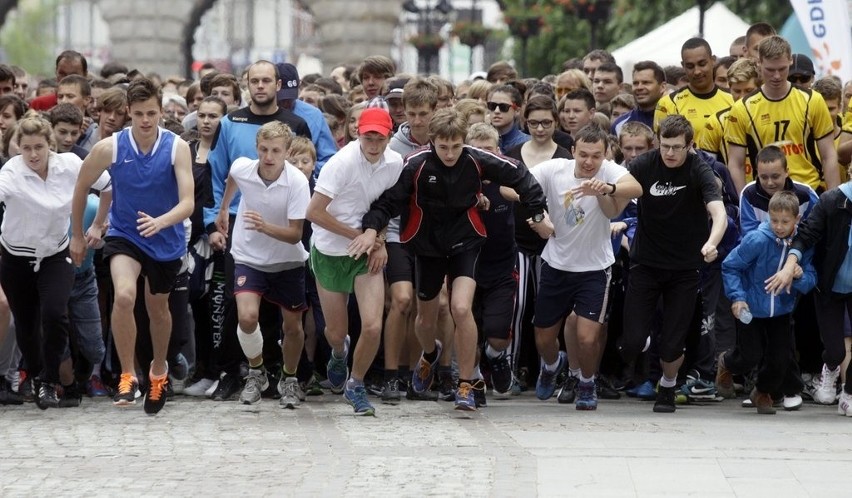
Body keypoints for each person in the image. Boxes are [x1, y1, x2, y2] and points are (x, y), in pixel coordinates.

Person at [355, 107, 548, 411]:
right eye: (443, 147)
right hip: (427, 245)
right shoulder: (414, 164)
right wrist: (370, 228)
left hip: (466, 240)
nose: (449, 154)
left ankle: (466, 383)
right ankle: (430, 354)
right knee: (426, 318)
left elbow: (520, 175)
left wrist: (537, 210)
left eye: (456, 146)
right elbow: (388, 202)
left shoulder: (475, 157)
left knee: (460, 307)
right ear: (431, 142)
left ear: (464, 142)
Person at [71, 78, 194, 415]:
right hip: (125, 233)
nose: (144, 120)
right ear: (129, 112)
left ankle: (158, 370)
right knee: (124, 295)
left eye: (151, 113)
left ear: (160, 113)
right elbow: (81, 187)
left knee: (158, 309)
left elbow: (187, 203)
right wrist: (78, 235)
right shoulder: (109, 147)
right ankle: (128, 374)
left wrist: (162, 221)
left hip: (165, 237)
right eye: (138, 113)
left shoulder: (175, 147)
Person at [205, 60, 312, 402]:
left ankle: (291, 377)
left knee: (291, 325)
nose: (268, 156)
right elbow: (229, 177)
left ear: (286, 152)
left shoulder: (297, 177)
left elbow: (296, 234)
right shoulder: (239, 150)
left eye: (276, 151)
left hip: (286, 252)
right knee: (246, 315)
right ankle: (254, 372)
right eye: (263, 150)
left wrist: (266, 226)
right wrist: (221, 212)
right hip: (247, 247)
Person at [618, 115, 728, 413]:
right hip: (646, 264)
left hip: (684, 269)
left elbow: (719, 213)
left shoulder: (699, 170)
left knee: (671, 345)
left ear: (690, 146)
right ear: (657, 143)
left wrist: (712, 242)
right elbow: (620, 186)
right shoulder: (644, 164)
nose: (670, 153)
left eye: (677, 147)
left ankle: (667, 385)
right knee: (631, 344)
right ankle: (645, 345)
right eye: (665, 146)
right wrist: (606, 192)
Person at [527, 125, 642, 410]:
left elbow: (636, 187)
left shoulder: (608, 171)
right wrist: (537, 216)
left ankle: (587, 383)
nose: (589, 162)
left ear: (605, 155)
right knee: (543, 337)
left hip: (595, 268)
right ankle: (553, 365)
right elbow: (514, 185)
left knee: (587, 337)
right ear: (573, 152)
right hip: (556, 263)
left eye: (596, 156)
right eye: (584, 155)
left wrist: (607, 188)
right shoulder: (555, 169)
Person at [0, 116, 111, 409]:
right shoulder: (11, 172)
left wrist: (98, 224)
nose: (33, 155)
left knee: (55, 314)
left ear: (50, 145)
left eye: (39, 147)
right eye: (26, 148)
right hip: (16, 256)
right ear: (19, 149)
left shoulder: (71, 165)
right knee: (26, 323)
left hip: (56, 252)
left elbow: (108, 186)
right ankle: (37, 376)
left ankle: (49, 380)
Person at [305, 107, 404, 416]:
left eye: (379, 137)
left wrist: (378, 240)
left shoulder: (395, 162)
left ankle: (356, 384)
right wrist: (358, 235)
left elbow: (385, 206)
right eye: (367, 137)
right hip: (331, 250)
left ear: (390, 136)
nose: (373, 143)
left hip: (366, 252)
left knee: (373, 325)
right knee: (335, 332)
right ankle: (338, 353)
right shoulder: (342, 163)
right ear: (357, 135)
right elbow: (314, 213)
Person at [718, 191, 816, 414]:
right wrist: (738, 297)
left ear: (797, 219)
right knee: (749, 355)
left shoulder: (803, 246)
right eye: (774, 221)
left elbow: (811, 280)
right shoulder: (758, 239)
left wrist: (799, 276)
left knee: (780, 360)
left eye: (785, 221)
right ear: (767, 218)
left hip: (781, 310)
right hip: (751, 308)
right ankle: (726, 363)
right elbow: (731, 266)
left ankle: (762, 392)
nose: (779, 227)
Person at [766, 166, 852, 412]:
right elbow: (805, 236)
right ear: (850, 172)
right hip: (830, 286)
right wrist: (789, 265)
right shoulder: (831, 200)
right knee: (835, 350)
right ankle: (830, 368)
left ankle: (849, 393)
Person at [725, 36, 838, 195]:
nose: (777, 76)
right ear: (759, 63)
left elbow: (829, 155)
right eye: (770, 70)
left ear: (790, 61)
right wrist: (744, 203)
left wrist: (833, 201)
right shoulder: (742, 108)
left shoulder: (812, 100)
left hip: (808, 191)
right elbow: (736, 164)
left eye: (782, 69)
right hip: (766, 196)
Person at [655, 38, 733, 150]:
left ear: (713, 60)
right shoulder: (668, 103)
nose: (697, 71)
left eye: (702, 64)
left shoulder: (733, 99)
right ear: (683, 66)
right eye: (690, 66)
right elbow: (661, 151)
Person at [739, 145, 818, 234]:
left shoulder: (806, 194)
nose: (770, 183)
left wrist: (796, 245)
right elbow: (749, 236)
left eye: (775, 177)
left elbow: (816, 228)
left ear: (786, 172)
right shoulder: (748, 194)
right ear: (757, 173)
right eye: (764, 177)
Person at [612, 61, 666, 136]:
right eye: (635, 83)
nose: (639, 87)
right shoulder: (619, 125)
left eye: (646, 83)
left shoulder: (675, 119)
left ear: (662, 87)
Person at [486, 84, 529, 153]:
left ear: (517, 111)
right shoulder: (482, 141)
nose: (497, 111)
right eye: (492, 106)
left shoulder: (527, 143)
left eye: (503, 107)